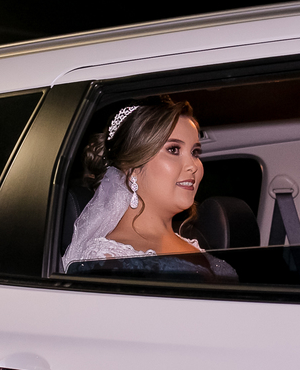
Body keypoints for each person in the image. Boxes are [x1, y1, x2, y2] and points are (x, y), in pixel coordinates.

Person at [62, 96, 208, 271]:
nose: (193, 166)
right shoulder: (108, 261)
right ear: (131, 168)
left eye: (195, 152)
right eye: (173, 149)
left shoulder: (195, 244)